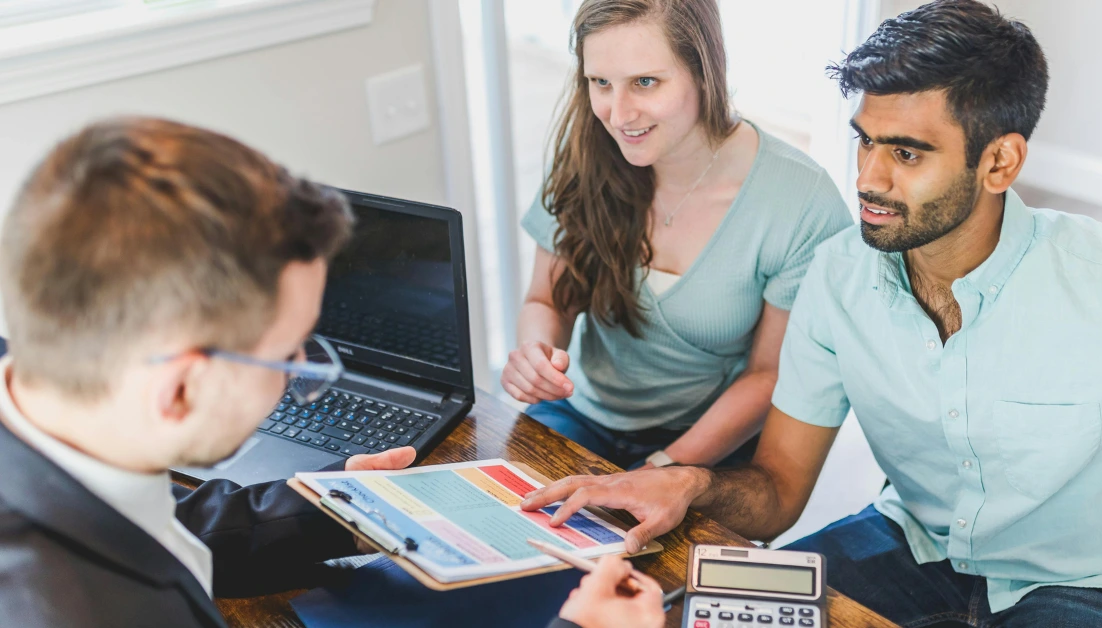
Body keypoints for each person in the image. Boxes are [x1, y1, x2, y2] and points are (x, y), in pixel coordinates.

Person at [522, 1, 1102, 626]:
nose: (869, 179)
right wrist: (687, 483)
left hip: (1101, 582)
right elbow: (778, 489)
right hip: (912, 546)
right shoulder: (839, 277)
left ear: (1000, 162)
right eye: (865, 142)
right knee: (699, 610)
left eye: (906, 153)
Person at [0, 117, 658, 628]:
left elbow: (166, 521)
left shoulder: (65, 416)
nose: (301, 375)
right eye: (288, 354)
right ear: (179, 388)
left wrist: (337, 505)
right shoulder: (54, 607)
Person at [502, 0, 852, 469]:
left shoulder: (801, 201)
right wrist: (537, 356)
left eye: (645, 82)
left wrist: (662, 469)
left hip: (708, 438)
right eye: (600, 82)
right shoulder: (588, 151)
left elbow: (769, 375)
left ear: (704, 70)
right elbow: (547, 300)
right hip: (579, 413)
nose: (618, 114)